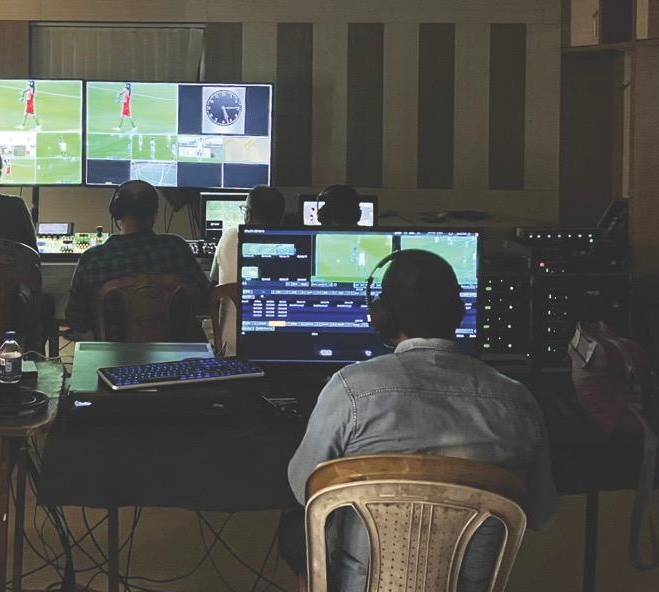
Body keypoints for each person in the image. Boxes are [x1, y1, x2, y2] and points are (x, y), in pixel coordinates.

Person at [285, 250, 557, 591]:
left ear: (381, 316)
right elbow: (540, 511)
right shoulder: (519, 400)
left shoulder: (350, 390)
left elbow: (303, 489)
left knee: (294, 527)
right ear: (460, 313)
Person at [65, 180, 210, 338]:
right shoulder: (178, 248)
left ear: (116, 212)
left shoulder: (92, 259)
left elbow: (76, 319)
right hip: (175, 356)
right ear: (154, 214)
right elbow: (206, 300)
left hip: (112, 357)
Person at [210, 185, 286, 355]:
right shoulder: (290, 242)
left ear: (248, 214)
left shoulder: (229, 236)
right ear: (281, 218)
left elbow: (213, 281)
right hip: (279, 349)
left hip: (230, 350)